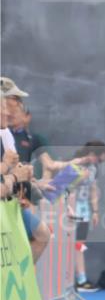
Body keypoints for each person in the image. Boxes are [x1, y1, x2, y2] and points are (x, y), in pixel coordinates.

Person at [0, 77, 51, 262]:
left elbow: (14, 167)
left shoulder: (6, 134)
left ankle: (22, 281)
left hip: (8, 201)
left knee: (42, 234)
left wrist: (25, 188)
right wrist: (13, 174)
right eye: (16, 100)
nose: (18, 106)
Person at [51, 141, 105, 291]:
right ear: (91, 154)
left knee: (79, 245)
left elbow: (94, 189)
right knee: (66, 245)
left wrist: (95, 211)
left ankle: (81, 280)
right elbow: (61, 186)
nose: (99, 162)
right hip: (69, 208)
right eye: (99, 159)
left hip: (84, 209)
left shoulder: (94, 168)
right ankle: (64, 280)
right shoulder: (73, 163)